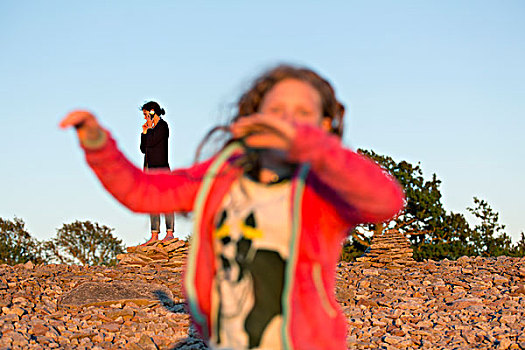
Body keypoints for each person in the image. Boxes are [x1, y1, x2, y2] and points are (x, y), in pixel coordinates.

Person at [60, 64, 404, 350]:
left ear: (325, 126)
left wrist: (319, 150)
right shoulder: (223, 173)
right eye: (277, 111)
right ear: (254, 118)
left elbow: (385, 202)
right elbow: (143, 193)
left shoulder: (321, 184)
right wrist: (97, 145)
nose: (289, 122)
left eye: (303, 114)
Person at [139, 101, 175, 244]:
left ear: (152, 111)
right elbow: (143, 148)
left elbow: (152, 142)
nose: (145, 117)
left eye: (145, 114)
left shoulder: (162, 126)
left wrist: (148, 131)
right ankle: (154, 234)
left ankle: (170, 232)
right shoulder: (149, 129)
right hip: (149, 171)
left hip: (161, 170)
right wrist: (144, 131)